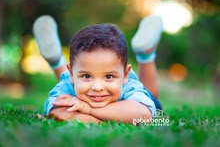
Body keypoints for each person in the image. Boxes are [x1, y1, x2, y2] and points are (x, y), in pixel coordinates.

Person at [33, 15, 163, 124]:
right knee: (76, 77)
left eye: (108, 77)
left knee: (152, 96)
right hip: (79, 75)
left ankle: (145, 54)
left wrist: (88, 109)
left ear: (125, 75)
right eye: (87, 76)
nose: (97, 87)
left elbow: (144, 115)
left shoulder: (129, 85)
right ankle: (56, 61)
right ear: (70, 74)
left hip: (141, 94)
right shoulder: (67, 82)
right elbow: (57, 114)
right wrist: (102, 121)